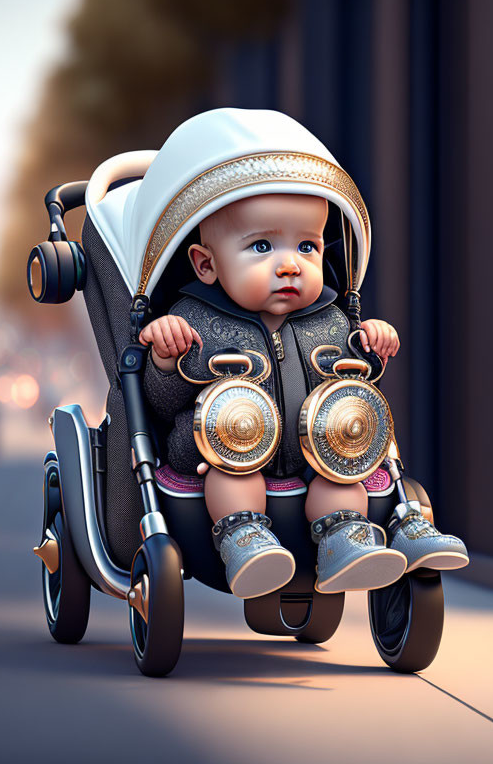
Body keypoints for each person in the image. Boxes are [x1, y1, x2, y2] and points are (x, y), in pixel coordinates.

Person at [140, 186, 468, 601]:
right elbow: (163, 405)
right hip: (224, 453)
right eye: (262, 246)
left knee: (343, 471)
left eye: (308, 246)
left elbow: (354, 393)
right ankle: (245, 538)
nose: (291, 265)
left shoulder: (329, 320)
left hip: (315, 454)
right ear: (207, 265)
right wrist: (166, 360)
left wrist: (370, 346)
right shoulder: (191, 321)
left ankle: (344, 538)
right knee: (231, 471)